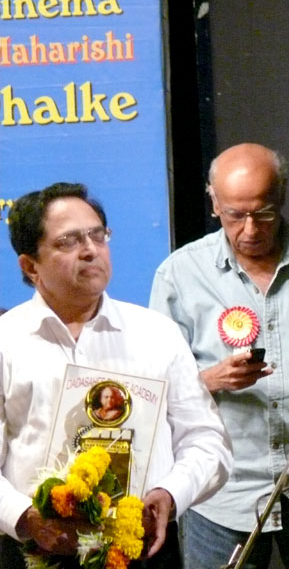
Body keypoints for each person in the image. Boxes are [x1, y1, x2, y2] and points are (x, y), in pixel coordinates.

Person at [0, 183, 233, 568]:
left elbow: (207, 441)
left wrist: (170, 493)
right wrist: (27, 518)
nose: (91, 250)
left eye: (97, 235)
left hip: (144, 549)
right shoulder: (6, 341)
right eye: (68, 242)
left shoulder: (156, 333)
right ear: (29, 265)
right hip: (35, 551)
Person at [149, 143, 289, 569]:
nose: (249, 229)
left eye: (263, 213)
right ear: (213, 203)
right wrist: (208, 380)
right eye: (234, 215)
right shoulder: (180, 274)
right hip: (223, 490)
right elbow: (153, 389)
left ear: (281, 198)